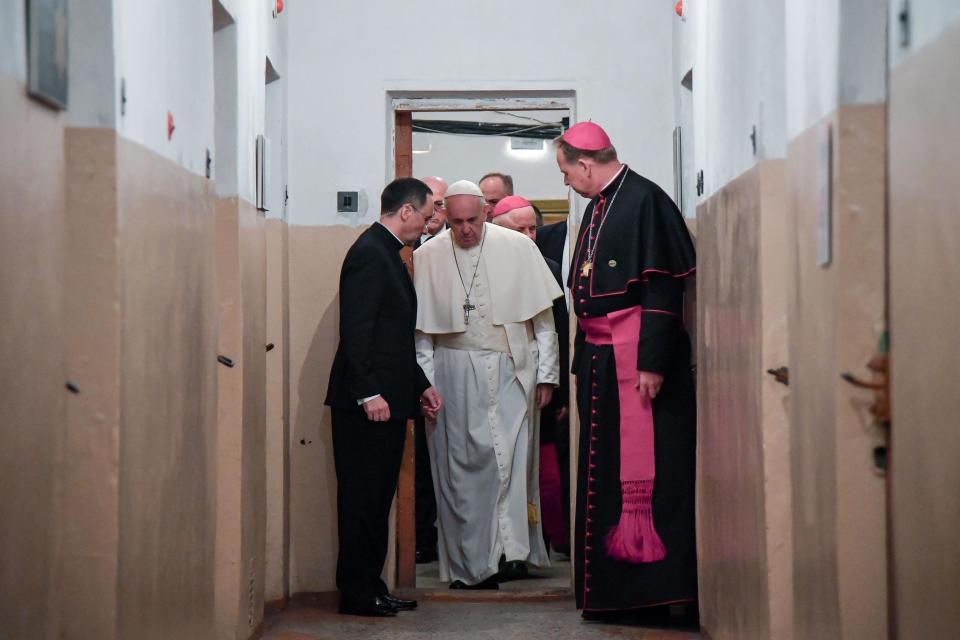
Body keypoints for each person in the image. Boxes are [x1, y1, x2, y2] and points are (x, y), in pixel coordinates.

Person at [556, 122, 697, 617]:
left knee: (640, 474)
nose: (566, 182)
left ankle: (651, 597)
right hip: (600, 359)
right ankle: (606, 594)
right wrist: (579, 361)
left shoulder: (645, 201)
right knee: (600, 473)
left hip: (636, 364)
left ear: (586, 164)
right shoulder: (598, 207)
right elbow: (584, 297)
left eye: (566, 172)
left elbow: (662, 289)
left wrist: (653, 363)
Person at [413, 180, 562, 589]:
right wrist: (425, 383)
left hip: (512, 368)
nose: (464, 230)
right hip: (453, 374)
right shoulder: (428, 256)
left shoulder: (518, 248)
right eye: (456, 221)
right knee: (459, 468)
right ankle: (469, 561)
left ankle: (510, 553)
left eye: (472, 220)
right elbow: (422, 335)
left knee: (511, 466)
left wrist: (547, 373)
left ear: (486, 214)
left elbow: (542, 321)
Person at [324, 177, 443, 617]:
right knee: (362, 500)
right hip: (366, 407)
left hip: (387, 401)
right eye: (428, 214)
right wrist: (368, 392)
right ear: (406, 211)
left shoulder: (387, 253)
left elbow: (392, 340)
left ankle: (371, 585)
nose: (430, 223)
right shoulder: (371, 255)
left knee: (377, 501)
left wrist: (420, 385)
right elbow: (357, 332)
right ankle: (357, 593)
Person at [491, 196, 571, 556]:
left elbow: (557, 330)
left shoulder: (550, 266)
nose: (528, 236)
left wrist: (557, 386)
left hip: (536, 387)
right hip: (490, 385)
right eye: (518, 229)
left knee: (539, 471)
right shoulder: (480, 268)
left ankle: (540, 544)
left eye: (532, 228)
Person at [412, 176, 446, 563]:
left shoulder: (450, 251)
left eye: (441, 206)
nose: (436, 214)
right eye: (431, 206)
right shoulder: (401, 251)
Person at [415, 176, 448, 249]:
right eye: (426, 204)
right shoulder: (402, 238)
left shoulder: (461, 237)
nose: (432, 212)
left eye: (439, 204)